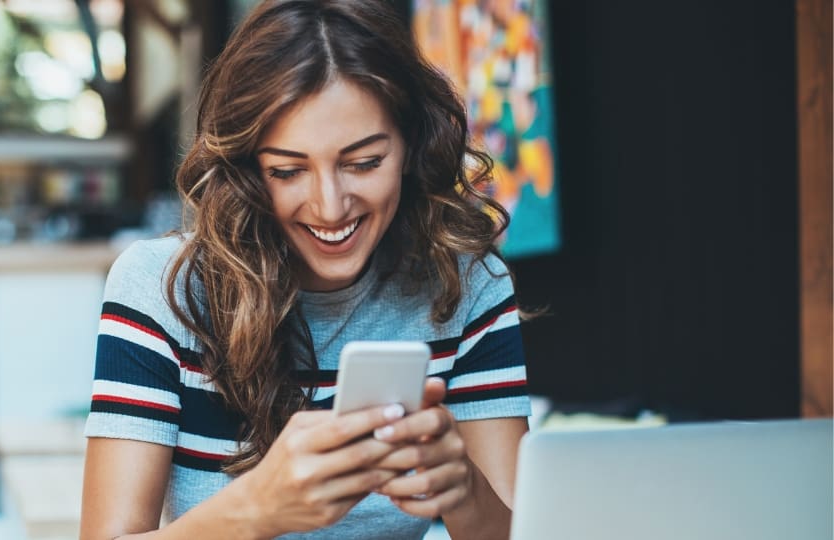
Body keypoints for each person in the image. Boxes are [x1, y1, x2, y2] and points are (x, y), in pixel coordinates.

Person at [80, 1, 531, 538]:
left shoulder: (467, 284)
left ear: (412, 146)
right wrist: (256, 509)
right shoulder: (163, 287)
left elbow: (516, 531)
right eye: (288, 171)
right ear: (245, 168)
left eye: (365, 163)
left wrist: (464, 490)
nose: (330, 206)